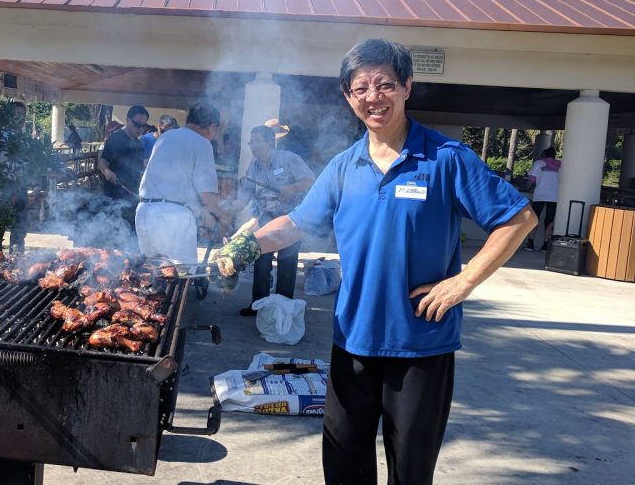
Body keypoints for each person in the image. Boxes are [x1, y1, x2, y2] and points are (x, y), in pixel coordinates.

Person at [214, 39, 536, 484]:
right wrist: (244, 247)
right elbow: (295, 223)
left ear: (406, 86)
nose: (372, 97)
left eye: (384, 84)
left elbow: (518, 218)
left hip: (421, 343)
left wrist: (462, 283)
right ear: (348, 97)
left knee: (409, 471)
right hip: (353, 340)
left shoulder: (445, 158)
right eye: (360, 88)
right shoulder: (344, 166)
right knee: (344, 465)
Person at [233, 125, 315, 316]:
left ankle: (284, 307)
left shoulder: (289, 158)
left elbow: (310, 179)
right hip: (267, 217)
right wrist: (229, 208)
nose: (252, 145)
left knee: (287, 262)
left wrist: (291, 188)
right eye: (250, 142)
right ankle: (258, 305)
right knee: (261, 261)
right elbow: (246, 193)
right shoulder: (254, 165)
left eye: (256, 141)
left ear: (269, 141)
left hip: (291, 218)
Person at [136, 102, 232, 265]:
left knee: (150, 272)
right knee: (180, 274)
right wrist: (225, 217)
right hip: (172, 218)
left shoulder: (166, 136)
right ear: (211, 127)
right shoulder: (202, 144)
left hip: (144, 212)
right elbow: (207, 195)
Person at [0, 101, 31, 252]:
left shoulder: (26, 139)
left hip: (21, 187)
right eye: (16, 114)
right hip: (3, 186)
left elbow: (29, 165)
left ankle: (16, 259)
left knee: (20, 226)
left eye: (22, 114)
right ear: (9, 115)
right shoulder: (0, 136)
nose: (19, 117)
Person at [99, 106, 150, 230]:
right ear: (128, 120)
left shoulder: (138, 143)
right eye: (137, 124)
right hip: (115, 195)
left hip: (132, 195)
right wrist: (107, 172)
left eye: (143, 126)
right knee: (116, 232)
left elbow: (139, 167)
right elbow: (102, 162)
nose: (140, 129)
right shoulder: (116, 139)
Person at [526, 146, 561, 251]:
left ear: (544, 155)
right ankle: (545, 245)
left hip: (539, 195)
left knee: (534, 219)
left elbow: (531, 180)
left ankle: (530, 244)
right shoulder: (561, 166)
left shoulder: (539, 163)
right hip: (554, 196)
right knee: (549, 221)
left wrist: (525, 187)